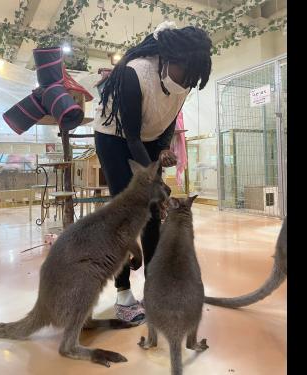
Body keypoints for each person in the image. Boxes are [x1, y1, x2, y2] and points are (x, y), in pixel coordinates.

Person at [93, 21, 212, 323]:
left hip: (145, 137)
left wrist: (161, 151)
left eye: (191, 77)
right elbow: (131, 136)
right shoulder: (136, 73)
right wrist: (154, 184)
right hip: (115, 136)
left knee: (154, 216)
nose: (186, 81)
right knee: (127, 212)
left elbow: (166, 126)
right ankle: (122, 292)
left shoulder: (185, 82)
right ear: (168, 58)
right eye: (183, 71)